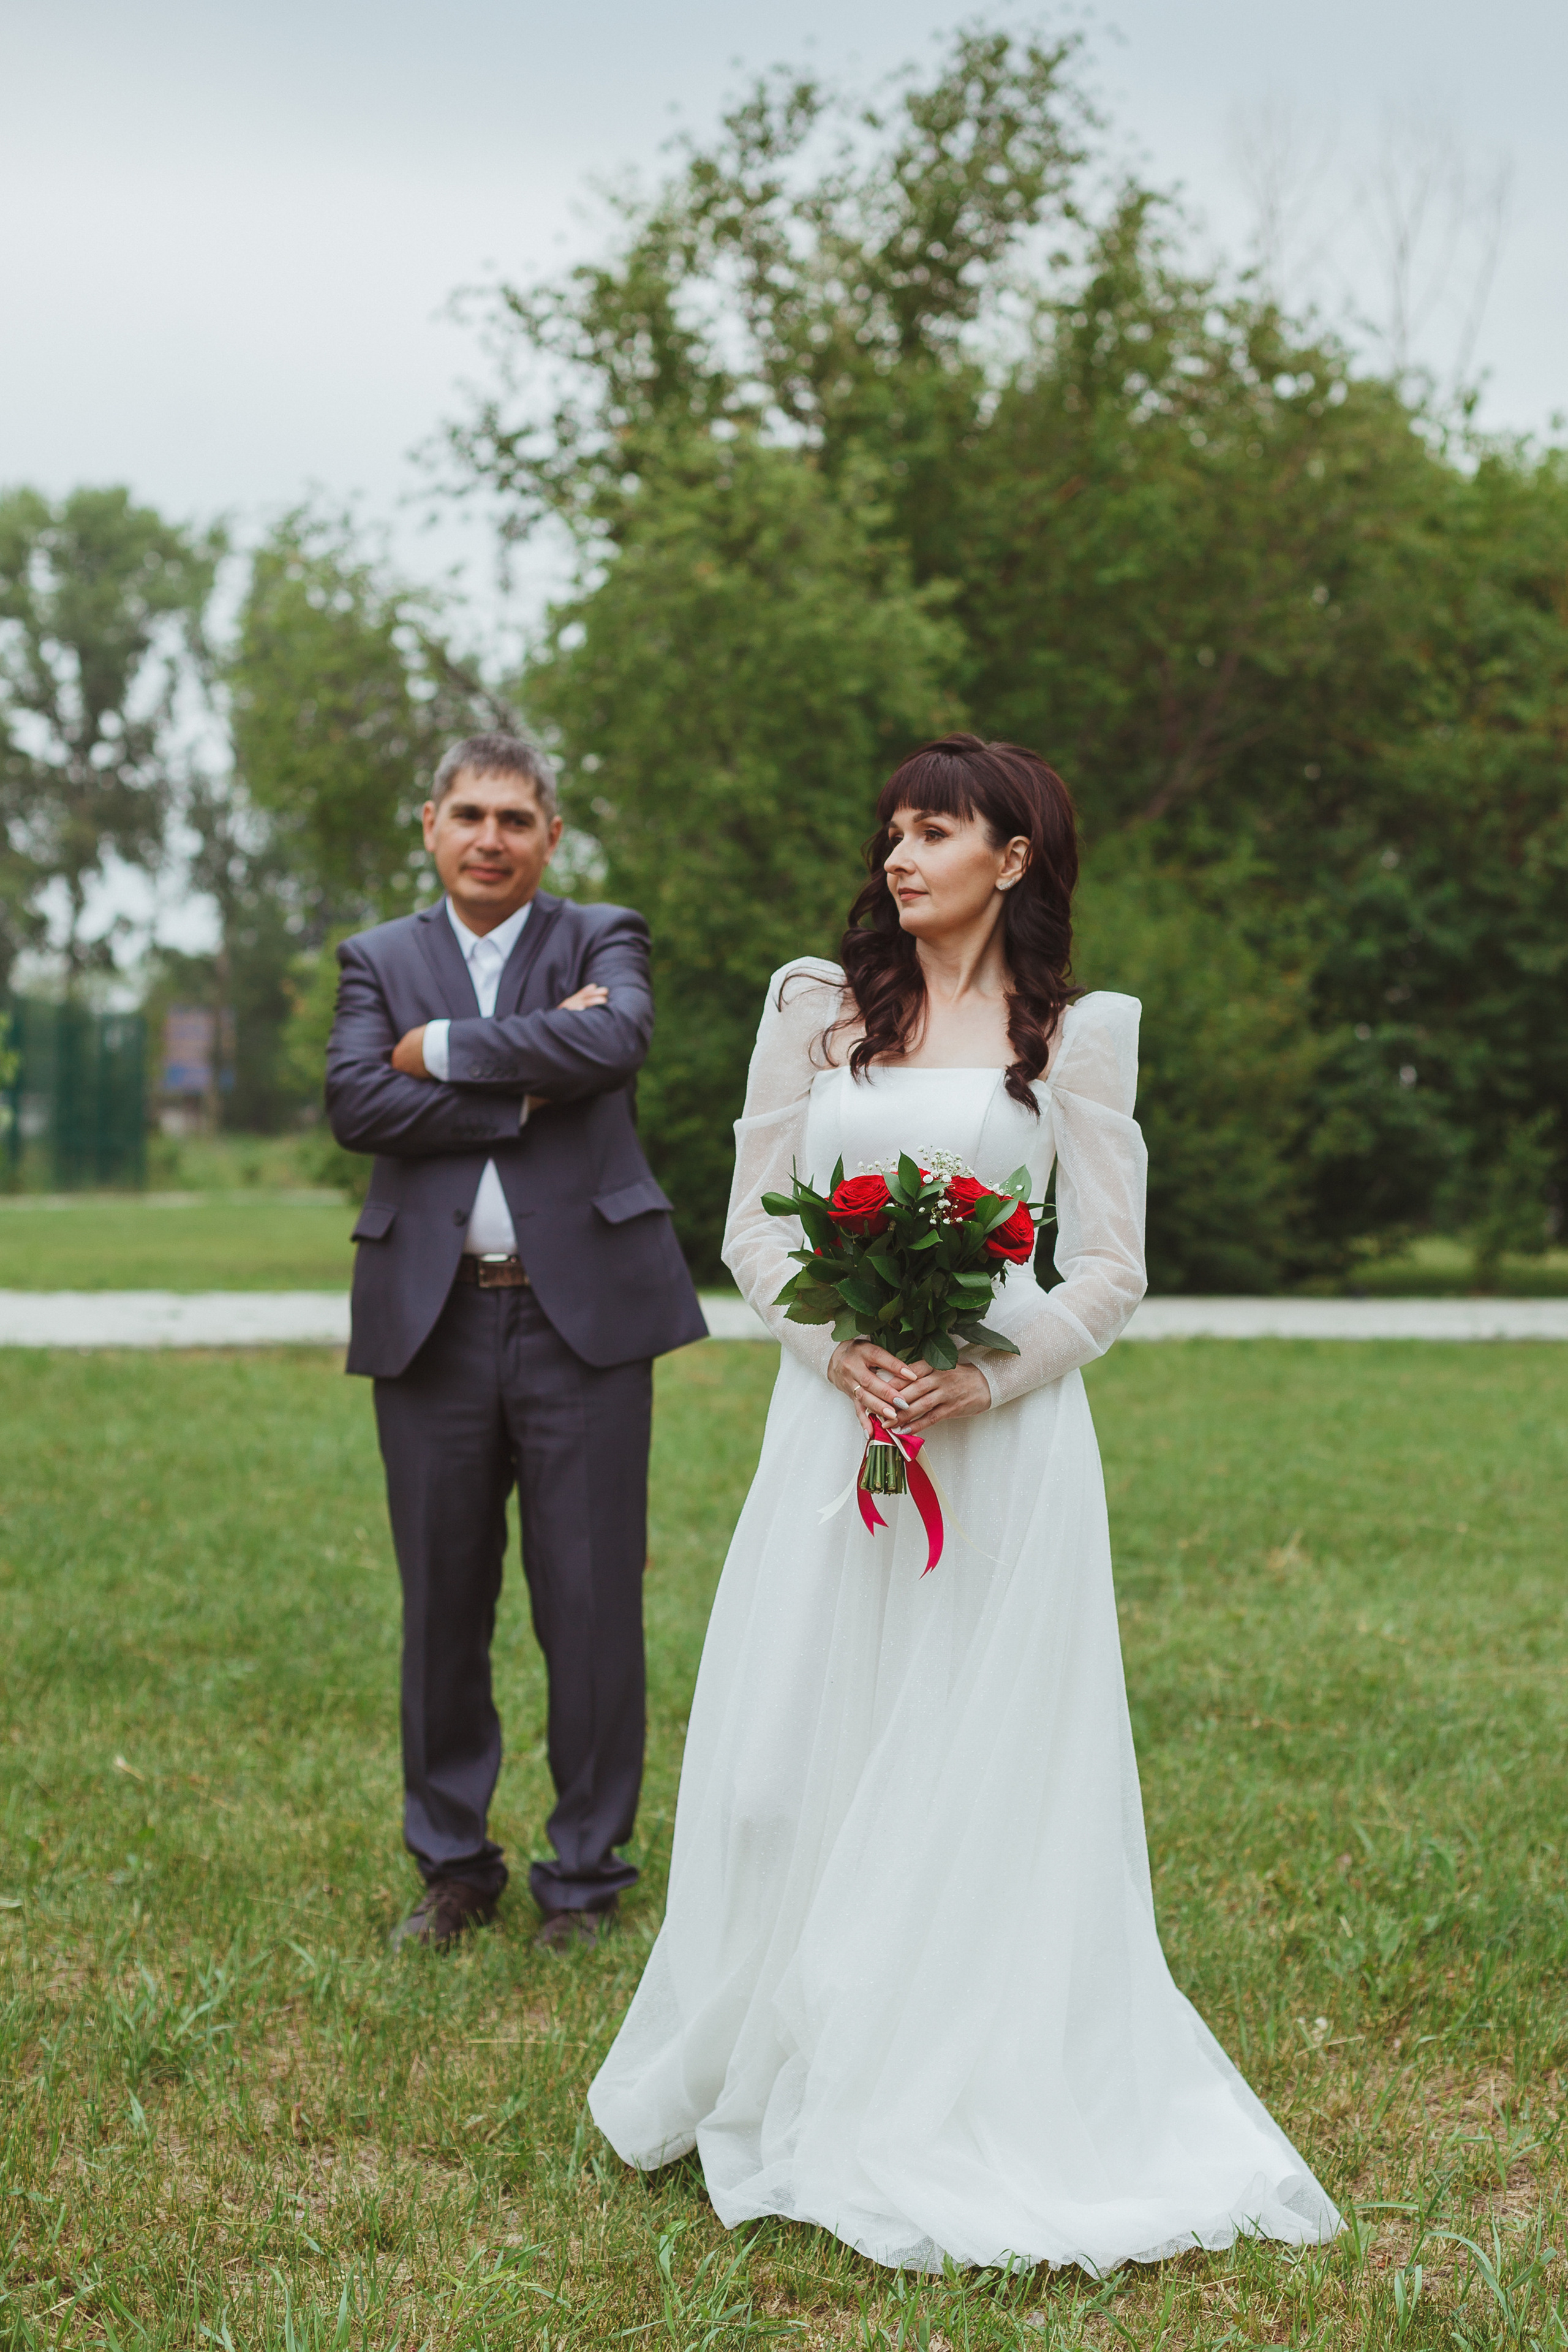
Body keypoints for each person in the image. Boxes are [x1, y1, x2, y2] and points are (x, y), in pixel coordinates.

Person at [588, 734, 1340, 2271]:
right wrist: (836, 1346)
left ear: (1012, 858)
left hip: (999, 1444)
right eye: (891, 831)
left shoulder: (1076, 1036)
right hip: (838, 1423)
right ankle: (777, 2055)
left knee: (970, 1756)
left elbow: (1112, 1268)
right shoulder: (816, 1010)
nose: (900, 855)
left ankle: (938, 2084)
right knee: (782, 1761)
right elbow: (745, 1228)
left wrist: (982, 1380)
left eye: (936, 832)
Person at [325, 733, 707, 1954]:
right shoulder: (376, 957)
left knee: (588, 1601)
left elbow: (615, 1042)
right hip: (430, 1319)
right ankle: (452, 1868)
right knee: (443, 1598)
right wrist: (531, 1075)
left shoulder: (601, 938)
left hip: (580, 1315)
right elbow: (354, 1103)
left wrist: (436, 1050)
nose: (490, 838)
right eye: (468, 815)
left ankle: (585, 1879)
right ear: (430, 825)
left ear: (550, 837)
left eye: (516, 820)